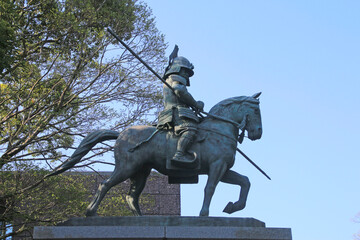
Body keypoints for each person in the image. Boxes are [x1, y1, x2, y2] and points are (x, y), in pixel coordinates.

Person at [157, 49, 204, 169]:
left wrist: (194, 105)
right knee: (190, 129)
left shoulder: (171, 79)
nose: (187, 74)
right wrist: (195, 103)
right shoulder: (175, 78)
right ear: (179, 69)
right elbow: (180, 91)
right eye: (186, 71)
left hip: (179, 110)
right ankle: (179, 154)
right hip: (176, 111)